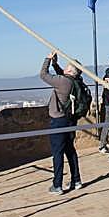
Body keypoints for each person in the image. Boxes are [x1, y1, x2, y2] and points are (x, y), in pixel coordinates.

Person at [38, 53, 83, 194]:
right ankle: (76, 180)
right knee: (70, 150)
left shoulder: (63, 82)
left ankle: (57, 185)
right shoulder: (76, 81)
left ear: (69, 70)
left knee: (58, 153)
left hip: (58, 121)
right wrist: (55, 64)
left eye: (67, 67)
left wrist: (47, 59)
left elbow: (43, 75)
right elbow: (61, 75)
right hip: (70, 120)